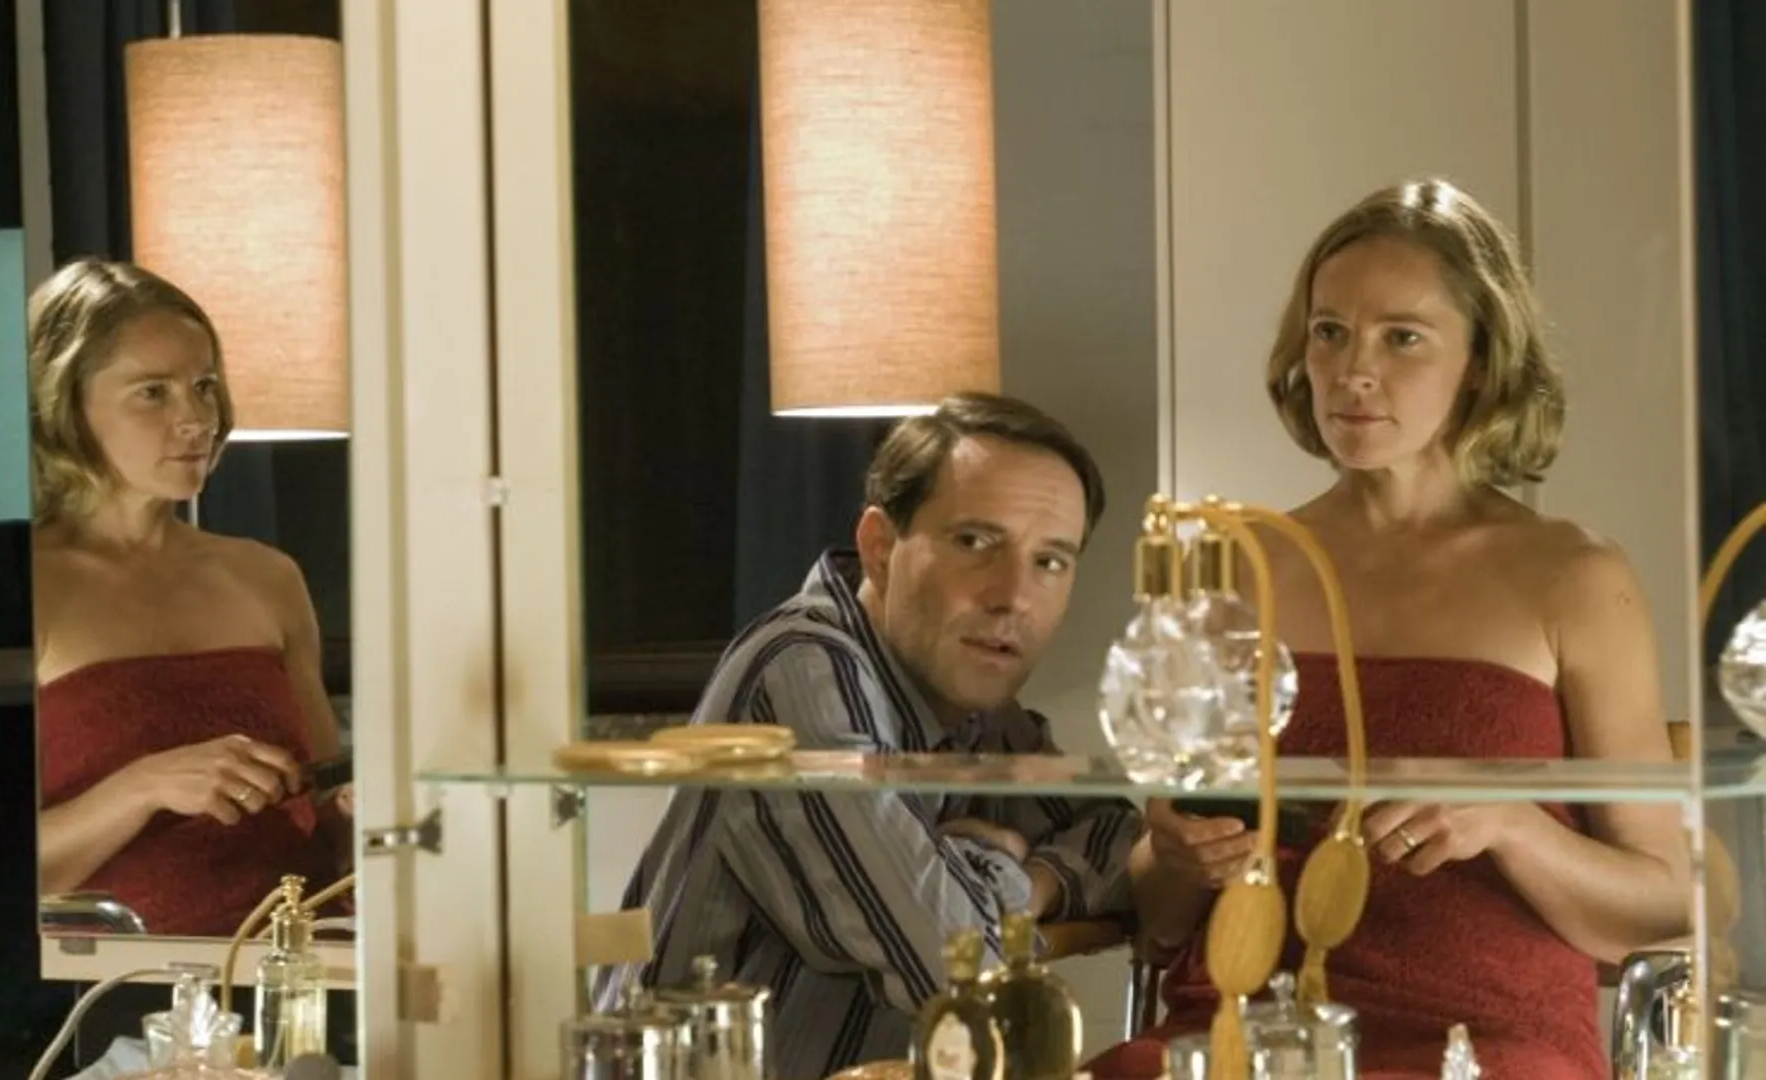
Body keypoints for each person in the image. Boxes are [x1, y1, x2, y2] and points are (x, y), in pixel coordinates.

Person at [1090, 180, 1692, 1080]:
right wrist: (1176, 854)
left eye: (1401, 337)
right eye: (1329, 332)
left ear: (1481, 361)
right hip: (1239, 1033)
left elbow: (1661, 905)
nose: (1351, 371)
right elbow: (1163, 915)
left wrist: (1513, 825)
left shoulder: (1575, 577)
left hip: (1487, 1045)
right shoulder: (1235, 563)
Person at [600, 392, 1140, 1078]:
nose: (1013, 596)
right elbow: (951, 962)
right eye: (975, 543)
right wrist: (996, 861)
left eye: (1050, 561)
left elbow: (1119, 843)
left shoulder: (970, 699)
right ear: (880, 548)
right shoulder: (800, 669)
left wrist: (1026, 883)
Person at [32, 259, 352, 938]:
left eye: (204, 386)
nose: (196, 419)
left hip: (302, 967)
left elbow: (328, 811)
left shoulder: (267, 576)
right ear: (65, 408)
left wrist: (372, 818)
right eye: (153, 392)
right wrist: (144, 787)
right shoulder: (27, 589)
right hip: (116, 985)